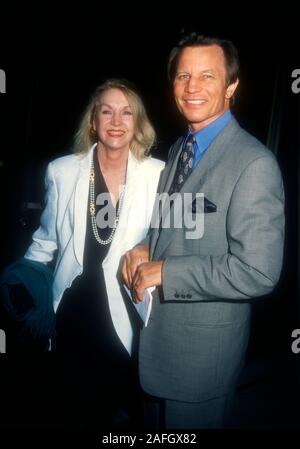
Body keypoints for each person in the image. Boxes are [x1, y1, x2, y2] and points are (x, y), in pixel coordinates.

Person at [122, 33, 285, 429]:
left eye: (207, 76)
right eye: (182, 77)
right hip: (156, 350)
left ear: (232, 86)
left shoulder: (254, 163)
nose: (192, 88)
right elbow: (172, 225)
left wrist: (168, 271)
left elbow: (259, 272)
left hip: (200, 368)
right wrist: (145, 247)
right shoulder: (180, 148)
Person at [24, 78, 164, 428]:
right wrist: (24, 281)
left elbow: (168, 240)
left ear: (138, 122)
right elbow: (46, 240)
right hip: (74, 309)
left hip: (127, 309)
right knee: (74, 408)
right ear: (93, 121)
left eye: (126, 113)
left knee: (123, 409)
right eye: (107, 112)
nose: (116, 121)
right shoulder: (61, 171)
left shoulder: (158, 175)